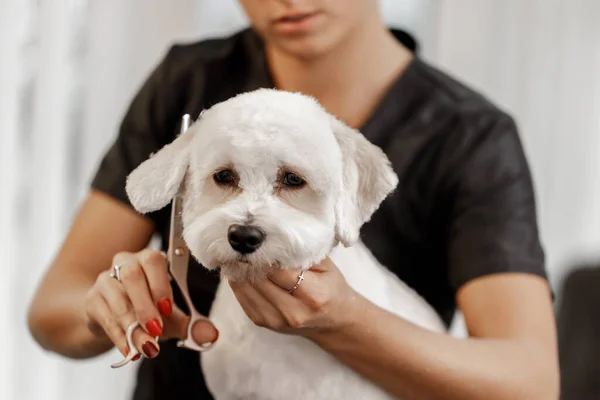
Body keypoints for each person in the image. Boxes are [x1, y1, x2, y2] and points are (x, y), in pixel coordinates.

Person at [27, 1, 560, 399]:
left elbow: (530, 384)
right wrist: (108, 310)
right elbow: (52, 313)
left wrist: (346, 320)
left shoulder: (470, 137)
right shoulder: (189, 81)